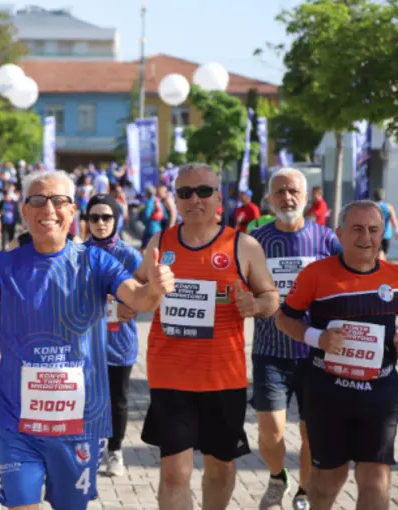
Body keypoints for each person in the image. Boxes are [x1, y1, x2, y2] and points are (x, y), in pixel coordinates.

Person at [0, 170, 175, 510]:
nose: (48, 208)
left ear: (73, 211)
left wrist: (155, 288)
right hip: (18, 419)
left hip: (78, 420)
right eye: (37, 200)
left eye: (59, 200)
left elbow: (137, 299)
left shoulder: (95, 261)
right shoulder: (2, 264)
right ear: (24, 211)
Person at [137, 163, 279, 510]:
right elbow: (136, 288)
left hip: (222, 377)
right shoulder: (161, 241)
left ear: (219, 197)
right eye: (185, 193)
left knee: (220, 468)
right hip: (170, 374)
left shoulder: (243, 245)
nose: (194, 199)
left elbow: (272, 298)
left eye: (203, 191)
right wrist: (143, 294)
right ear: (176, 199)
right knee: (173, 473)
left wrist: (255, 304)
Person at [275, 200, 398, 510]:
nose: (366, 236)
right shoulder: (316, 274)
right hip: (328, 392)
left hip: (380, 392)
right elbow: (285, 318)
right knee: (326, 484)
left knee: (376, 480)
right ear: (339, 234)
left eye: (374, 229)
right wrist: (317, 337)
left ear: (382, 233)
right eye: (357, 229)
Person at [250, 168, 343, 510]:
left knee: (310, 433)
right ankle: (278, 477)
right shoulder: (257, 241)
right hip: (269, 351)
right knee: (270, 432)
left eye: (293, 191)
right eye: (279, 192)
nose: (287, 198)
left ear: (306, 197)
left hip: (316, 352)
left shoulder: (327, 239)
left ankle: (304, 492)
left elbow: (349, 280)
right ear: (269, 198)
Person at [84, 194, 142, 477]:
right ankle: (90, 449)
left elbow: (144, 297)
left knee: (117, 398)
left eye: (106, 217)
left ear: (116, 219)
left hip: (119, 341)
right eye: (94, 217)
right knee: (90, 397)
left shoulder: (129, 255)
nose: (100, 223)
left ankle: (115, 450)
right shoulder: (78, 253)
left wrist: (126, 305)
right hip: (86, 341)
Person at [373, 189, 398, 260]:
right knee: (383, 254)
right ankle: (382, 267)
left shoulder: (372, 207)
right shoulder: (389, 207)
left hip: (375, 234)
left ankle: (381, 267)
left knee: (379, 254)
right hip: (386, 234)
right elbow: (394, 219)